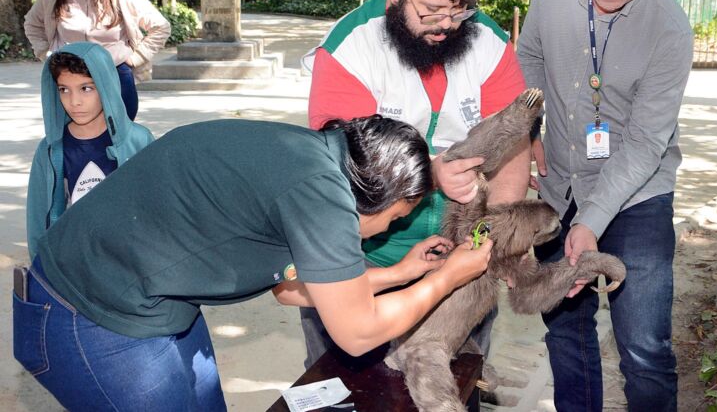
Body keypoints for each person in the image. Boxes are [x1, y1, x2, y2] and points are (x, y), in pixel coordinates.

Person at [13, 115, 493, 410]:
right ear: (377, 194)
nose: (391, 229)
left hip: (147, 304)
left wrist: (401, 273)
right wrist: (448, 278)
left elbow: (289, 289)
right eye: (397, 217)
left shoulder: (318, 158)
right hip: (88, 312)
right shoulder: (322, 196)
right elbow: (357, 331)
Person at [302, 0, 530, 368]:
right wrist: (432, 175)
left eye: (459, 11)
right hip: (363, 262)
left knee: (451, 381)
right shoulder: (350, 49)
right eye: (429, 12)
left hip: (461, 257)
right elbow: (351, 172)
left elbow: (513, 146)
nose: (445, 26)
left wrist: (492, 235)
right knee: (353, 386)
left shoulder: (489, 44)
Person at [516, 0, 693, 411]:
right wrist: (528, 127)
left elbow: (644, 144)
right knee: (566, 337)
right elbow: (529, 57)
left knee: (643, 349)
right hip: (559, 185)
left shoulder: (671, 30)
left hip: (638, 195)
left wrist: (590, 221)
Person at [24, 0, 170, 121]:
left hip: (115, 76)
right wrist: (47, 54)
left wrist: (135, 58)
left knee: (118, 142)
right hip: (69, 79)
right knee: (73, 143)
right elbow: (32, 24)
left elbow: (161, 26)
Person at [26, 41, 155, 261]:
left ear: (106, 87)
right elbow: (38, 219)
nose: (74, 102)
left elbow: (155, 210)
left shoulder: (139, 140)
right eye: (64, 90)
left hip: (128, 263)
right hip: (72, 263)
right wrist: (42, 268)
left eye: (86, 88)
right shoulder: (50, 150)